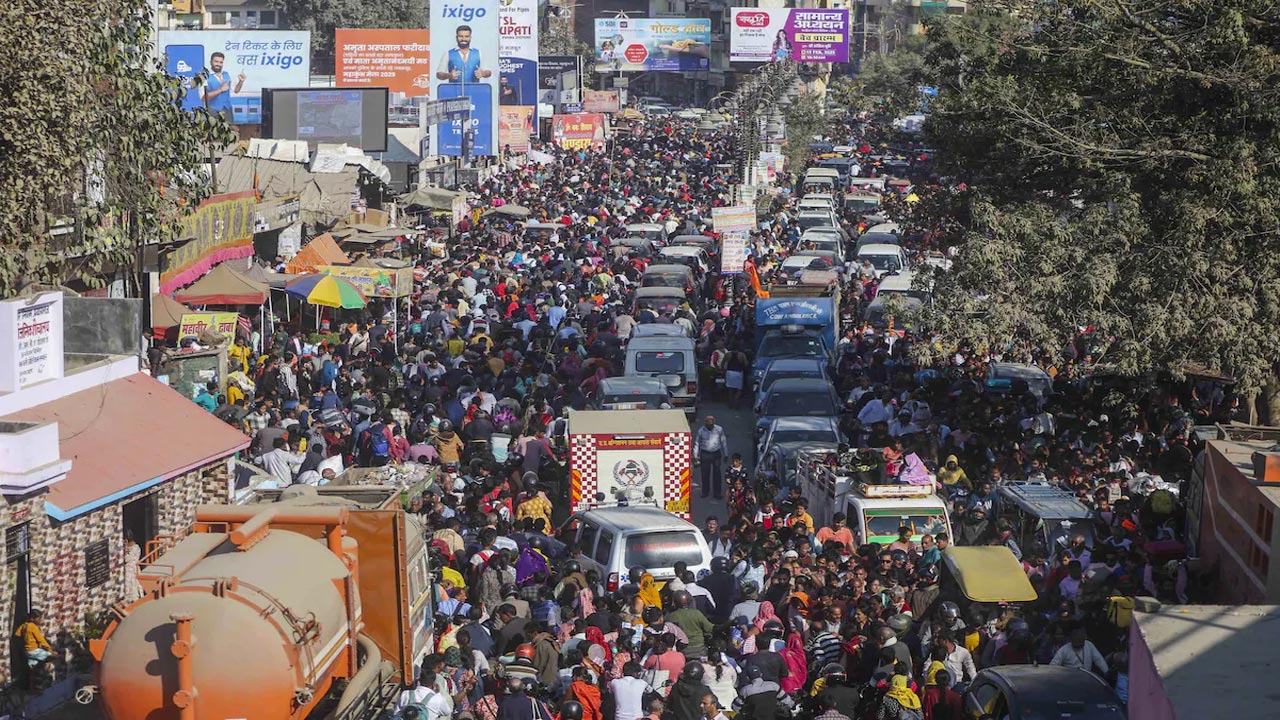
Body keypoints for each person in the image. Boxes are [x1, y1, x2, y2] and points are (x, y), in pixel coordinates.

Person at [202, 51, 246, 122]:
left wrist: (241, 82)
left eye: (221, 62)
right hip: (212, 111)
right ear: (211, 62)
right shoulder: (205, 76)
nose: (218, 64)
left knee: (229, 130)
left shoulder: (227, 74)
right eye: (216, 61)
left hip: (227, 110)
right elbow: (204, 98)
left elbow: (236, 90)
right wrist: (220, 90)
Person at [693, 415, 726, 499]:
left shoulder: (719, 429)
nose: (709, 426)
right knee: (705, 474)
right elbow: (697, 443)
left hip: (716, 453)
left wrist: (726, 454)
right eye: (708, 424)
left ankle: (717, 493)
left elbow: (723, 441)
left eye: (711, 424)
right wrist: (695, 455)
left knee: (717, 474)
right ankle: (705, 492)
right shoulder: (701, 430)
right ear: (705, 424)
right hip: (705, 454)